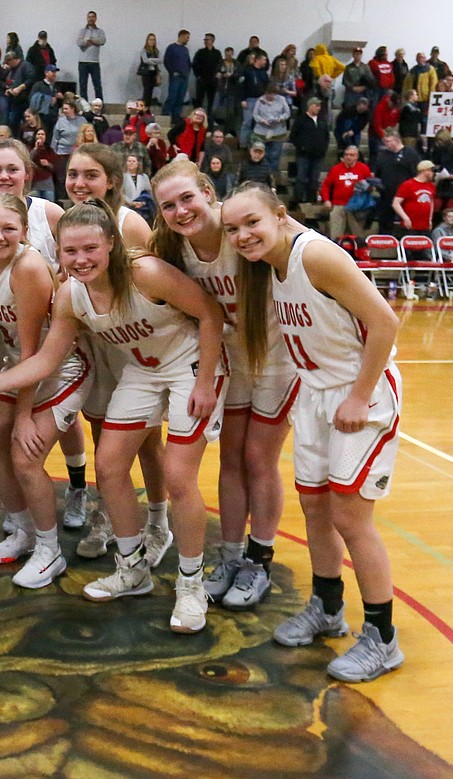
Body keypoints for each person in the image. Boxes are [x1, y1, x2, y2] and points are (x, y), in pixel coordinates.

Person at [0, 199, 225, 631]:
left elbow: (210, 314)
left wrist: (207, 380)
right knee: (110, 465)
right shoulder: (70, 295)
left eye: (90, 250)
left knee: (178, 476)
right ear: (57, 254)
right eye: (70, 252)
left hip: (188, 364)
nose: (80, 260)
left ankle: (191, 586)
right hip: (143, 368)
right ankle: (132, 566)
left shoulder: (146, 272)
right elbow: (45, 360)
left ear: (111, 245)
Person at [222, 182, 404, 683]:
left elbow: (385, 323)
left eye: (251, 222)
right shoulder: (270, 266)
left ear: (280, 216)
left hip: (359, 391)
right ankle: (327, 607)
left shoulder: (316, 256)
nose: (242, 235)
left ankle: (383, 638)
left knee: (350, 516)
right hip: (317, 394)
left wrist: (359, 396)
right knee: (316, 508)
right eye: (232, 229)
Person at [151, 160, 298, 610]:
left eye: (187, 198)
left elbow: (306, 250)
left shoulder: (248, 228)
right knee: (231, 458)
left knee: (259, 458)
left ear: (208, 192)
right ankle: (232, 557)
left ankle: (259, 559)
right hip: (229, 362)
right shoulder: (172, 248)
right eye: (169, 206)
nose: (180, 211)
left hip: (279, 358)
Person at [0, 195, 92, 586]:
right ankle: (25, 527)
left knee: (24, 454)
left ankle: (50, 551)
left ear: (25, 233)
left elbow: (34, 351)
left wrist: (25, 416)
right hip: (20, 365)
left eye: (9, 229)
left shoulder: (28, 267)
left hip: (59, 366)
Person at [63, 144, 170, 562]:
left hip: (136, 346)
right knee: (101, 433)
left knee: (146, 442)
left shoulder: (130, 224)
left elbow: (162, 290)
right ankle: (107, 515)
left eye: (90, 175)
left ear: (111, 180)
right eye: (73, 174)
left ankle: (159, 522)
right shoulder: (70, 222)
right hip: (97, 345)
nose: (79, 183)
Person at [290, 98, 329, 204]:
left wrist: (323, 149)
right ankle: (297, 200)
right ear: (310, 105)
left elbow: (326, 136)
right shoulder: (300, 120)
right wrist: (302, 147)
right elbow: (293, 137)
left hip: (318, 155)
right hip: (303, 155)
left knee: (314, 179)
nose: (319, 108)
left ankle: (311, 200)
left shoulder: (322, 121)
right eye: (317, 106)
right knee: (301, 178)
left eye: (319, 106)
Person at [392, 160, 437, 237]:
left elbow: (431, 202)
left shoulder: (431, 186)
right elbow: (395, 203)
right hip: (411, 225)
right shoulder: (408, 185)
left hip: (425, 226)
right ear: (425, 171)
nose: (433, 173)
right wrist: (405, 218)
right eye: (432, 171)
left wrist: (430, 219)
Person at [76, 11, 105, 101]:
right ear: (87, 18)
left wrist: (89, 40)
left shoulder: (100, 31)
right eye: (89, 17)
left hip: (95, 62)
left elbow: (102, 41)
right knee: (83, 85)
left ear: (95, 18)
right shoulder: (82, 31)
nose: (91, 18)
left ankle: (99, 105)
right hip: (83, 62)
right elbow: (79, 43)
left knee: (97, 85)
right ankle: (85, 106)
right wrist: (92, 42)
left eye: (93, 17)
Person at [163, 29, 191, 117]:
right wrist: (172, 72)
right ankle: (165, 115)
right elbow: (166, 61)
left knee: (180, 98)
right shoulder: (171, 47)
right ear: (181, 36)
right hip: (176, 77)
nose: (188, 40)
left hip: (184, 77)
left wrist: (187, 72)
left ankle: (176, 117)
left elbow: (188, 62)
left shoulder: (185, 49)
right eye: (187, 38)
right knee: (172, 97)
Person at [192, 33, 222, 111]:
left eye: (207, 39)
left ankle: (209, 118)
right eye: (205, 39)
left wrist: (219, 73)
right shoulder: (200, 52)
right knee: (199, 99)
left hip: (213, 79)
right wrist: (198, 76)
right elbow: (194, 64)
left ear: (212, 41)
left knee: (211, 99)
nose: (205, 41)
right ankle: (197, 117)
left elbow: (220, 64)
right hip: (202, 79)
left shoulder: (217, 53)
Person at [138, 33, 162, 106]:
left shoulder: (156, 51)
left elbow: (161, 60)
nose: (152, 41)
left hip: (153, 73)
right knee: (146, 92)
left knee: (151, 91)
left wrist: (151, 59)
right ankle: (144, 108)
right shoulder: (144, 50)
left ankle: (148, 108)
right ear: (147, 41)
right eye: (150, 39)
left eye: (153, 40)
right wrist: (155, 60)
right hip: (146, 73)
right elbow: (145, 60)